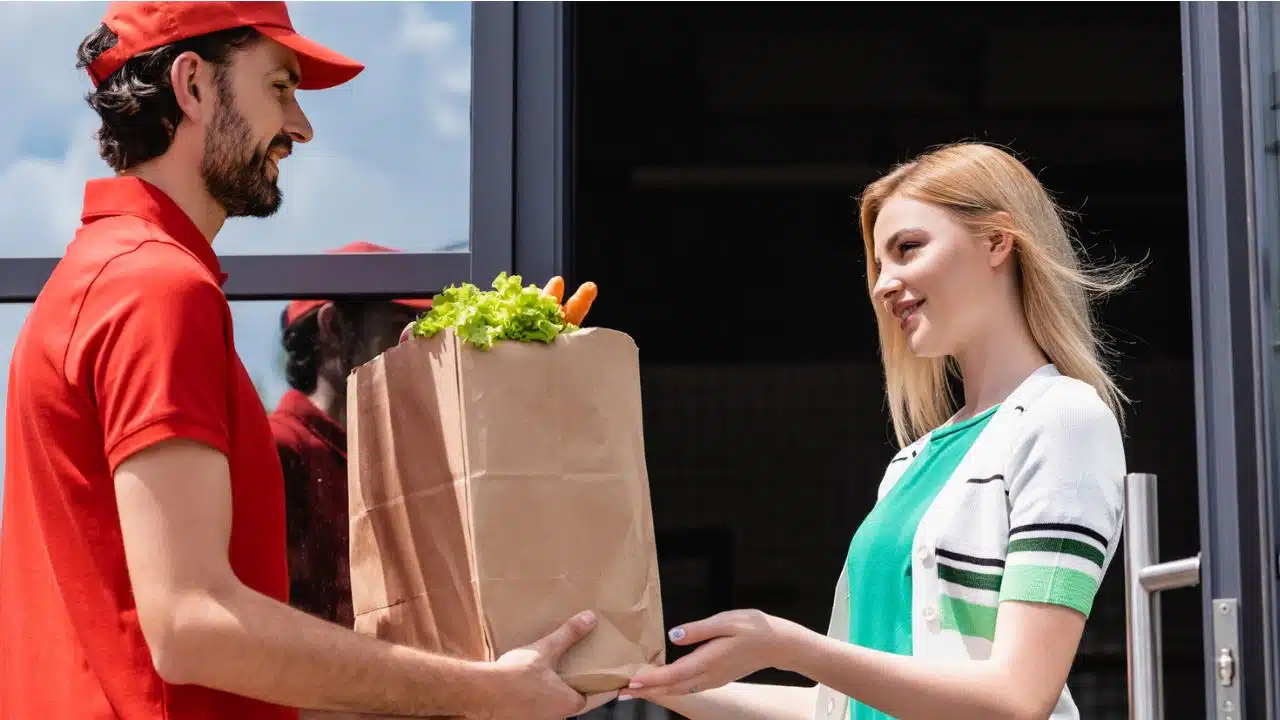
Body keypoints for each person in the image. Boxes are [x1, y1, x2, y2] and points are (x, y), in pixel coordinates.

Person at [0, 4, 604, 719]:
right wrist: (486, 693)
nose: (300, 127)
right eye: (280, 88)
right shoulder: (156, 288)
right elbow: (192, 627)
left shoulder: (100, 276)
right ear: (192, 86)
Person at [623, 142, 1137, 720]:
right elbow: (840, 710)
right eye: (878, 264)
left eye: (907, 249)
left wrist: (789, 646)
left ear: (998, 241)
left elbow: (1018, 698)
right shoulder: (910, 466)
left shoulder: (1063, 418)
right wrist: (647, 684)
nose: (882, 285)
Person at [271, 241, 433, 630]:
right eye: (398, 331)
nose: (416, 349)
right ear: (334, 329)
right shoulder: (277, 450)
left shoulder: (395, 455)